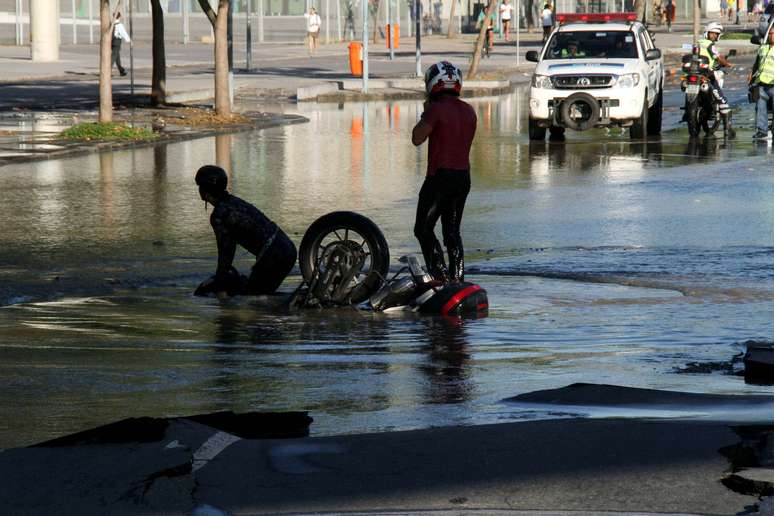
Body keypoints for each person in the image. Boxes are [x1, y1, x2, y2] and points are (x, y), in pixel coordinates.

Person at [411, 62, 477, 284]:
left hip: (439, 179)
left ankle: (438, 276)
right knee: (452, 233)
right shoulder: (469, 110)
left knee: (423, 229)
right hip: (463, 179)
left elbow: (416, 138)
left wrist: (425, 113)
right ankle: (458, 280)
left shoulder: (435, 110)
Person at [194, 165, 297, 297]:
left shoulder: (219, 215)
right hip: (287, 248)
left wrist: (219, 283)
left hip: (273, 256)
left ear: (204, 190)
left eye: (199, 186)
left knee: (252, 300)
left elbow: (226, 252)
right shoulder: (235, 201)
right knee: (262, 294)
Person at [698, 22, 733, 114]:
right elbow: (718, 57)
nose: (714, 35)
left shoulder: (699, 42)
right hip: (707, 71)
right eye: (712, 33)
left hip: (696, 71)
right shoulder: (710, 45)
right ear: (707, 33)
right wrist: (727, 64)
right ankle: (727, 125)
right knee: (720, 96)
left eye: (716, 34)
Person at [751, 29, 774, 138]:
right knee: (760, 107)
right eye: (770, 34)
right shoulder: (763, 48)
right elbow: (757, 63)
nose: (771, 36)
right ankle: (762, 130)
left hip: (773, 83)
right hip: (761, 82)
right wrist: (751, 77)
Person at [111, 12, 131, 77]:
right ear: (119, 17)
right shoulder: (119, 25)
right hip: (117, 42)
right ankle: (108, 71)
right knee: (113, 57)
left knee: (117, 58)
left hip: (112, 42)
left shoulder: (112, 24)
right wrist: (129, 41)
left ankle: (121, 71)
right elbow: (124, 33)